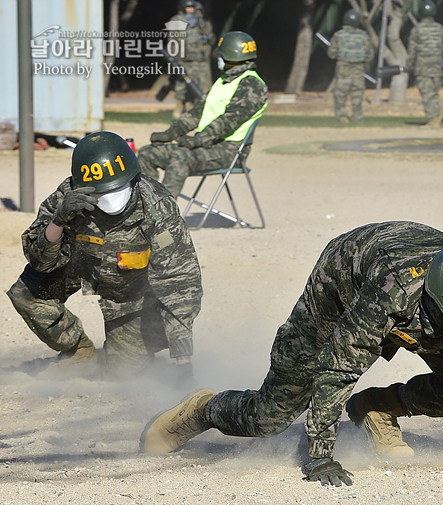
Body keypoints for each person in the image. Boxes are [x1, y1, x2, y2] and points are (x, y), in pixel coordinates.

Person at [140, 222, 443, 489]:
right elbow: (337, 369)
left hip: (428, 300)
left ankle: (378, 408)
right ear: (431, 304)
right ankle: (203, 409)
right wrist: (320, 457)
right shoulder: (391, 291)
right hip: (344, 281)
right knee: (273, 414)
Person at [6, 132, 202, 379]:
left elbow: (178, 281)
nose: (110, 198)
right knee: (26, 292)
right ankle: (79, 353)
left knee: (120, 374)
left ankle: (124, 353)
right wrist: (58, 220)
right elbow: (40, 262)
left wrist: (182, 359)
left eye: (118, 188)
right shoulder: (68, 194)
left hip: (131, 296)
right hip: (81, 266)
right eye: (99, 193)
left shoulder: (157, 206)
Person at [138, 31, 267, 198]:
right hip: (207, 145)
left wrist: (198, 140)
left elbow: (229, 121)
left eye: (221, 54)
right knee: (147, 153)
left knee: (180, 156)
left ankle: (164, 215)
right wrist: (171, 133)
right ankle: (149, 203)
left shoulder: (252, 85)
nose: (218, 58)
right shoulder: (224, 81)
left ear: (230, 55)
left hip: (229, 151)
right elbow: (197, 112)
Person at [166, 0, 216, 118]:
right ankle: (178, 109)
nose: (190, 10)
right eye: (188, 7)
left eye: (192, 7)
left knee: (199, 86)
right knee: (181, 86)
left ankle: (193, 109)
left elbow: (211, 38)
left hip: (199, 60)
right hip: (183, 60)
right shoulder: (177, 20)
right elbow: (172, 39)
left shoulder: (202, 22)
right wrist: (174, 57)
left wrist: (204, 29)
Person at [406, 0, 443, 128]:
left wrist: (409, 64)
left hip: (422, 65)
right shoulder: (440, 28)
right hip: (436, 64)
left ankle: (433, 119)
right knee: (434, 92)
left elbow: (412, 49)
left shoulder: (417, 29)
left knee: (426, 92)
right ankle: (436, 115)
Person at [327, 10, 373, 124]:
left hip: (343, 68)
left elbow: (331, 54)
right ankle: (358, 117)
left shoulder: (338, 35)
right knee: (357, 95)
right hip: (358, 69)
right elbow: (369, 55)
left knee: (340, 94)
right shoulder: (364, 36)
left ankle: (342, 115)